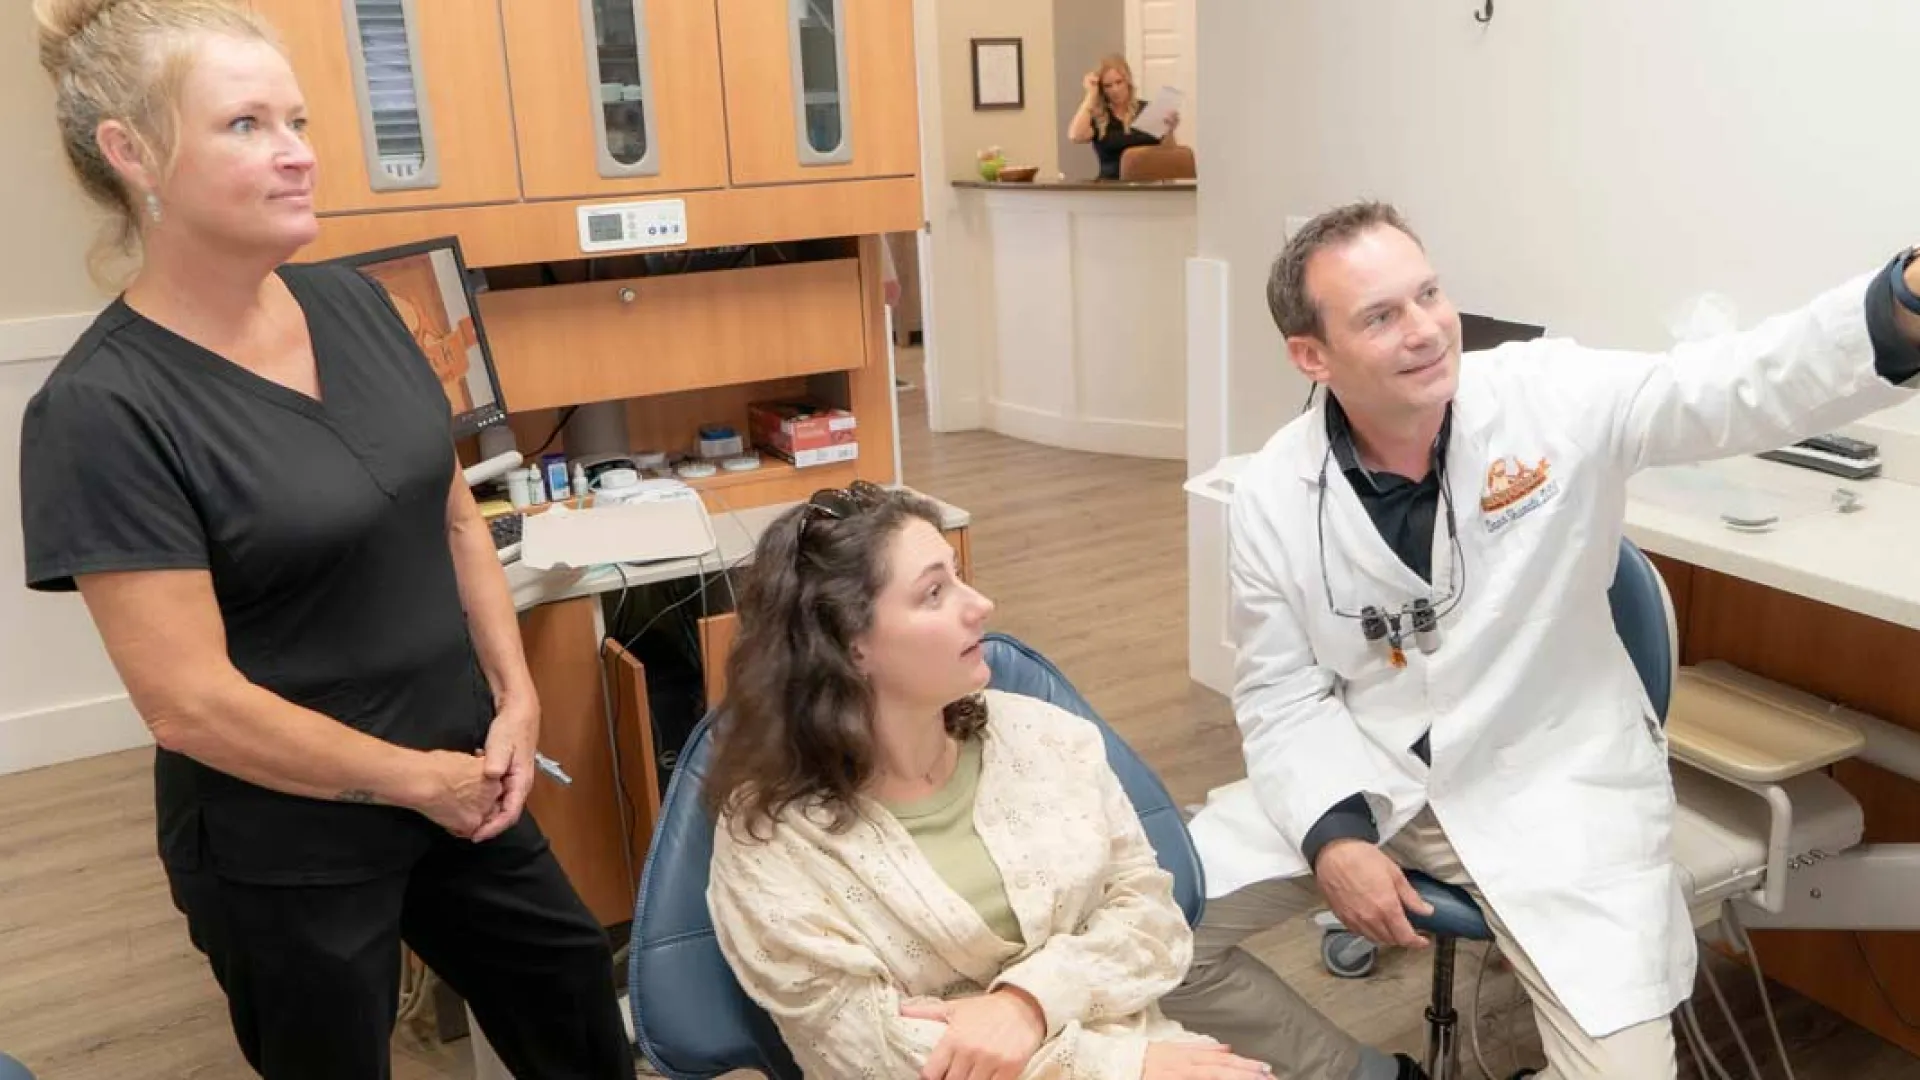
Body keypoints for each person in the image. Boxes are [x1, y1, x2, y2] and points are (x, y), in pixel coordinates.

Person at [1158, 201, 1920, 1080]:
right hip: (1370, 776)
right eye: (1380, 316)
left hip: (1552, 783)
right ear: (1312, 356)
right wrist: (1333, 837)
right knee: (1146, 928)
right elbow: (1279, 695)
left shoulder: (1548, 397)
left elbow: (1735, 383)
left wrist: (1901, 298)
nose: (1425, 331)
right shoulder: (1274, 495)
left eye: (1429, 294)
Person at [20, 2, 633, 1077]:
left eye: (297, 119)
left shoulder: (356, 304)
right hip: (288, 838)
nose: (299, 153)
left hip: (462, 779)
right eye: (246, 125)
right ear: (133, 155)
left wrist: (515, 694)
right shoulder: (102, 409)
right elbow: (190, 705)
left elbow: (451, 513)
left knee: (570, 991)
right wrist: (410, 780)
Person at [704, 481, 1271, 1080]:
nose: (980, 605)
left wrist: (1026, 1003)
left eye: (958, 575)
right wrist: (1125, 1068)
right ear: (851, 646)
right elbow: (880, 1054)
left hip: (1147, 1046)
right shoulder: (771, 840)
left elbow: (1151, 914)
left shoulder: (1049, 739)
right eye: (933, 592)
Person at [1067, 55, 1178, 181]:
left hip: (1147, 188)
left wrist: (1169, 130)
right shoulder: (1100, 116)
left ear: (1127, 82)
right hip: (1111, 188)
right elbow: (1075, 136)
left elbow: (1169, 154)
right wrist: (1090, 95)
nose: (1115, 90)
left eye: (1119, 82)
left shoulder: (1147, 110)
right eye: (1108, 86)